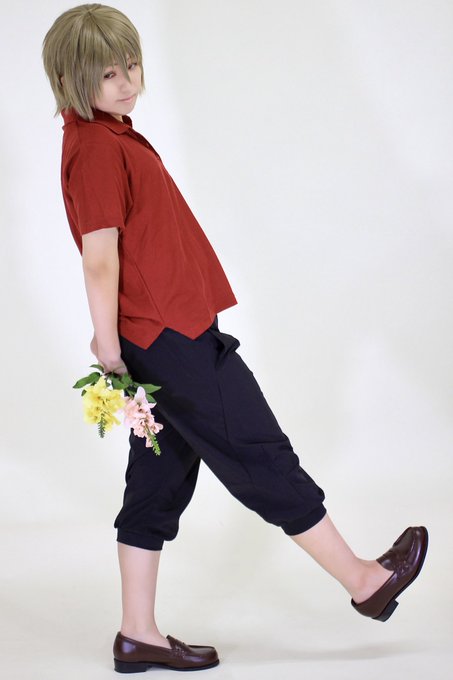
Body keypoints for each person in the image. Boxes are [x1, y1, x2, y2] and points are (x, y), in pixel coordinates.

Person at [42, 4, 428, 674]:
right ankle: (365, 582)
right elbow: (99, 257)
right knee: (258, 450)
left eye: (131, 65)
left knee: (156, 481)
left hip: (160, 332)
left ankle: (137, 635)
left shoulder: (103, 135)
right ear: (71, 79)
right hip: (168, 337)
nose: (128, 82)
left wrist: (120, 345)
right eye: (108, 74)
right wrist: (107, 347)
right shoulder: (97, 149)